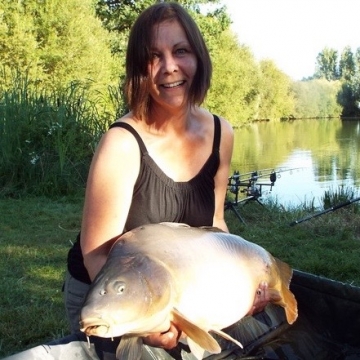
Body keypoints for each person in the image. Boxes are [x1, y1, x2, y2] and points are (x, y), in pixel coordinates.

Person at [64, 1, 269, 357]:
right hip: (109, 295)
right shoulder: (123, 143)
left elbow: (215, 225)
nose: (169, 67)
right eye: (153, 56)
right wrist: (151, 320)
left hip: (177, 288)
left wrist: (242, 280)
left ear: (199, 59)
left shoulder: (221, 132)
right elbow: (96, 254)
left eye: (181, 51)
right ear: (138, 70)